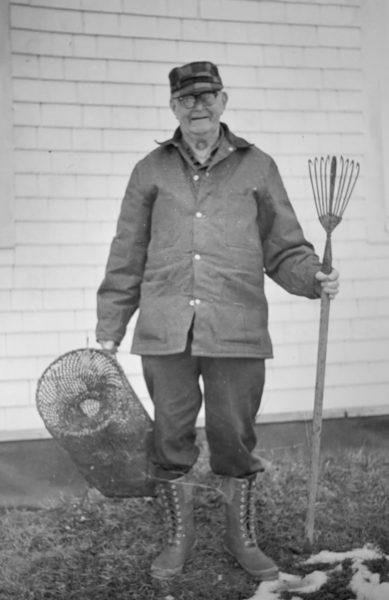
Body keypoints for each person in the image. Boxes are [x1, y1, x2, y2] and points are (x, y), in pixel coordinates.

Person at [96, 61, 339, 581]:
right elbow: (127, 254)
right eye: (187, 99)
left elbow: (286, 247)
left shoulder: (258, 167)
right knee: (170, 436)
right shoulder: (150, 171)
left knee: (234, 437)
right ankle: (178, 539)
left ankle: (240, 537)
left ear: (224, 101)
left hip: (237, 331)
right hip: (166, 331)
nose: (198, 106)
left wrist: (312, 277)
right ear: (173, 107)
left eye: (207, 96)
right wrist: (109, 329)